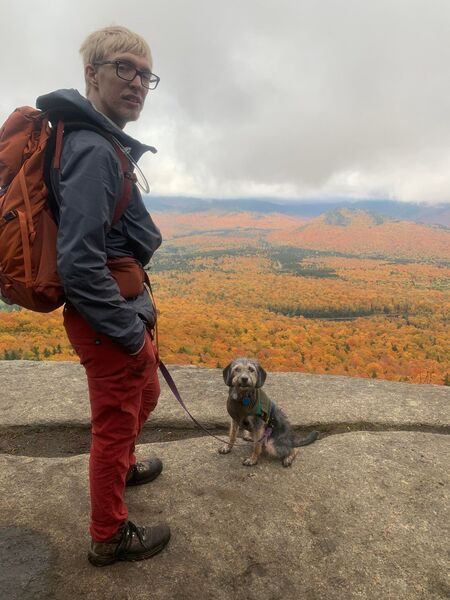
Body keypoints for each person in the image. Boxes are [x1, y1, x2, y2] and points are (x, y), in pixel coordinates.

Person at [36, 26, 170, 566]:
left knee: (144, 400)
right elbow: (79, 262)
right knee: (116, 421)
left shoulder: (93, 137)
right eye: (123, 69)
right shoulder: (92, 149)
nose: (137, 82)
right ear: (90, 74)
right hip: (108, 315)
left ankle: (123, 463)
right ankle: (108, 535)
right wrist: (129, 334)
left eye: (145, 74)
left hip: (119, 306)